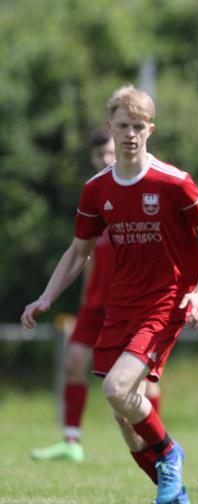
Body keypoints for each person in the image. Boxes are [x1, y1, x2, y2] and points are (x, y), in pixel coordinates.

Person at [21, 85, 198, 504]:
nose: (130, 134)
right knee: (125, 417)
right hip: (121, 306)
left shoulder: (172, 182)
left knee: (117, 390)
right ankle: (171, 492)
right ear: (109, 128)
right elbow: (78, 251)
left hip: (166, 302)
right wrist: (46, 296)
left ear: (149, 129)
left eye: (138, 126)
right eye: (122, 126)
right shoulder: (96, 190)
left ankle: (170, 454)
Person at [30, 129, 162, 462]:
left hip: (135, 305)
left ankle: (158, 444)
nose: (106, 159)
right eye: (100, 154)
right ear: (93, 158)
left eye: (110, 153)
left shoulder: (138, 191)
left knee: (141, 387)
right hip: (95, 304)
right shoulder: (95, 195)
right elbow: (81, 251)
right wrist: (56, 294)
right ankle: (72, 441)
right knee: (74, 363)